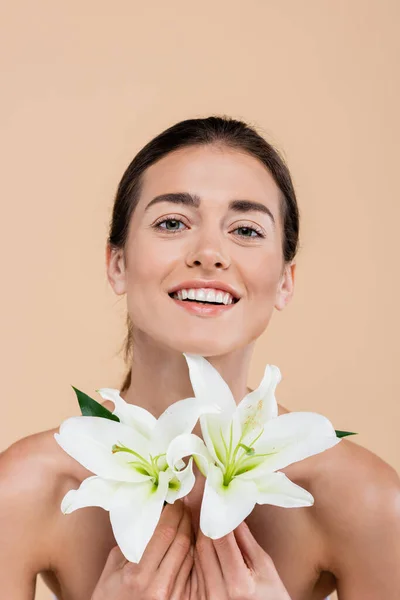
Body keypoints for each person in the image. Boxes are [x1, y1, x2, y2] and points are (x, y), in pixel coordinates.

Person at [1, 116, 399, 600]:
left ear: (285, 281)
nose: (210, 253)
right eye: (172, 222)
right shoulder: (26, 488)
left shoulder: (363, 498)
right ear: (117, 263)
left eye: (246, 230)